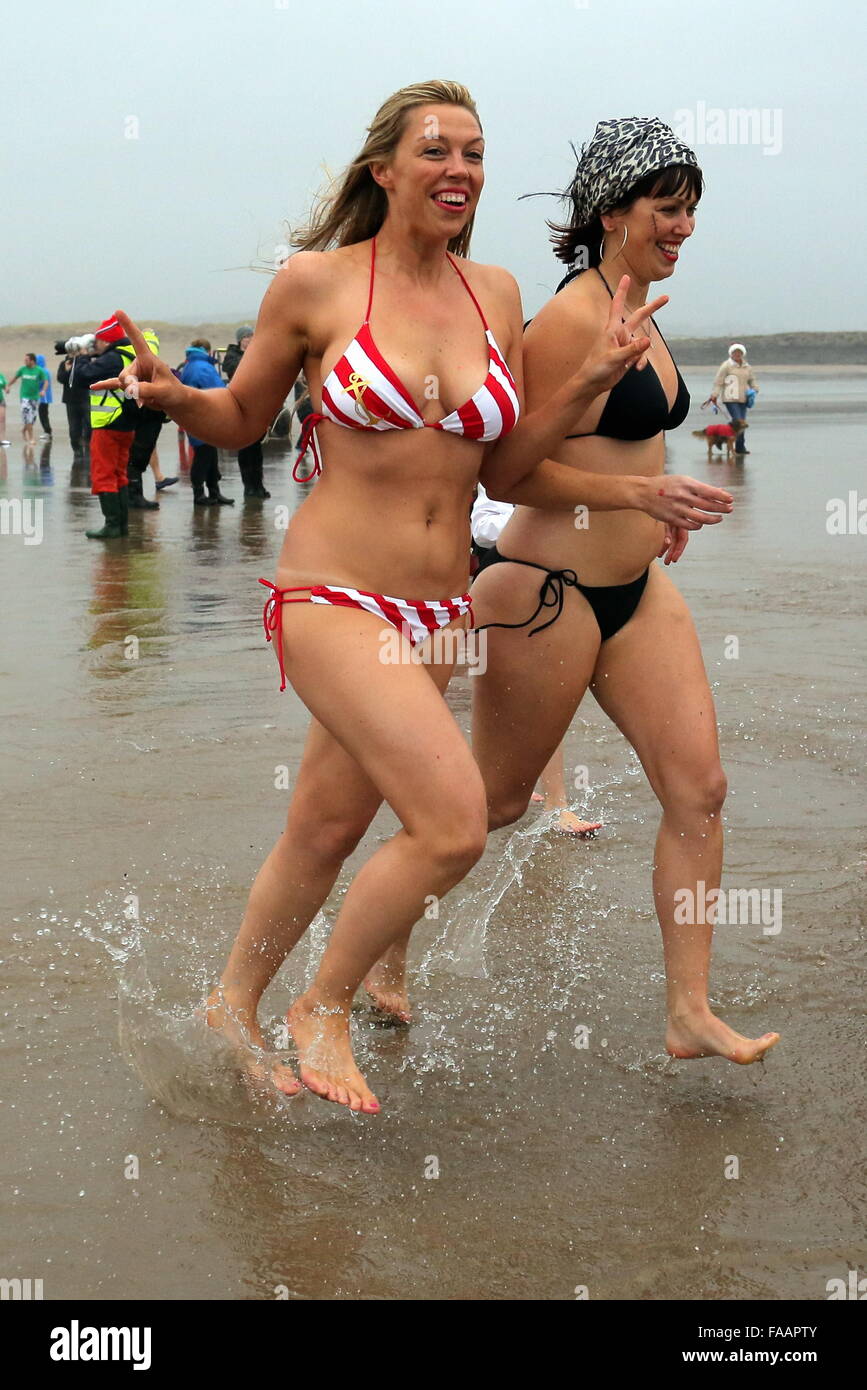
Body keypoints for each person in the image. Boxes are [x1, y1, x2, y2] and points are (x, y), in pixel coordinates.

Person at [101, 81, 731, 1113]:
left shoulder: (497, 293)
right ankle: (325, 1005)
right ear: (381, 169)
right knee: (453, 824)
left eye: (476, 153)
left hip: (438, 615)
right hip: (333, 598)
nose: (460, 170)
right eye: (436, 149)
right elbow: (242, 416)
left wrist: (584, 387)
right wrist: (179, 400)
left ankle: (230, 1002)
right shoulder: (315, 284)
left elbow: (507, 467)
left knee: (322, 831)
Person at [460, 118, 777, 1065]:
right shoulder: (566, 318)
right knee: (491, 806)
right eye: (665, 208)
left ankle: (688, 1012)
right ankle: (373, 958)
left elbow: (627, 439)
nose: (682, 226)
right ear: (611, 213)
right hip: (542, 591)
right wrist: (641, 492)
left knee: (699, 790)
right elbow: (509, 472)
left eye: (689, 211)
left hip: (635, 589)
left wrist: (659, 509)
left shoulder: (643, 303)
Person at [471, 483, 601, 836]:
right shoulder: (503, 471)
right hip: (498, 587)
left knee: (545, 695)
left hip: (558, 589)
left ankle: (550, 801)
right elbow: (482, 528)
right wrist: (536, 525)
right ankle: (499, 787)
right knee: (497, 697)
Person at [76, 316, 139, 539]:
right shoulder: (130, 356)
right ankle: (121, 525)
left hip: (108, 423)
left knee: (104, 474)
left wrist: (81, 358)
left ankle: (112, 525)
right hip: (127, 423)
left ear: (106, 340)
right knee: (119, 474)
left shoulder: (112, 359)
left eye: (98, 341)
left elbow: (83, 376)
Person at [179, 339, 234, 505]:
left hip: (194, 416)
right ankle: (199, 494)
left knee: (209, 454)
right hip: (203, 417)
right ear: (206, 350)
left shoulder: (190, 365)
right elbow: (219, 390)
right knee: (203, 456)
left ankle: (213, 492)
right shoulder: (202, 367)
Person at [126, 330, 176, 509]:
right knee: (136, 458)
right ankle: (134, 497)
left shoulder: (142, 367)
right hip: (144, 418)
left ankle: (142, 489)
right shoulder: (139, 369)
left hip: (146, 418)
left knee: (140, 455)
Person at [223, 327, 270, 499]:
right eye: (247, 337)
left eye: (252, 336)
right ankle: (248, 487)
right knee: (246, 449)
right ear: (240, 340)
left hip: (258, 406)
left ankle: (258, 486)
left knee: (257, 450)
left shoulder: (258, 354)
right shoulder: (232, 356)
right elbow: (234, 369)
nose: (250, 339)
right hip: (241, 406)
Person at [710, 343, 757, 455]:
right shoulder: (726, 366)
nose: (737, 354)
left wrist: (755, 389)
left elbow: (752, 380)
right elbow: (718, 382)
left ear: (743, 354)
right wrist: (714, 395)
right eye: (735, 352)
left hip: (743, 399)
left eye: (739, 353)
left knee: (741, 423)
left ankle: (726, 441)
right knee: (738, 422)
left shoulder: (747, 367)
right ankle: (737, 446)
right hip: (730, 399)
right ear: (731, 354)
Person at [9, 353, 49, 444]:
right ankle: (31, 438)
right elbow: (14, 378)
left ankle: (24, 430)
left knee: (33, 418)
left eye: (26, 360)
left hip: (35, 398)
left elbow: (46, 381)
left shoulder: (39, 371)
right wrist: (8, 386)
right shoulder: (22, 370)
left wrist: (43, 390)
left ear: (32, 361)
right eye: (25, 360)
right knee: (28, 417)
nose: (25, 361)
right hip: (24, 397)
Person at [35, 354, 53, 438]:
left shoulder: (42, 371)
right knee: (44, 414)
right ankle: (47, 431)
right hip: (45, 396)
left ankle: (47, 432)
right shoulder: (46, 370)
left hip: (44, 397)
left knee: (43, 414)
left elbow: (40, 383)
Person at [0, 368, 9, 446]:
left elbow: (4, 385)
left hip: (1, 400)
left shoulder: (1, 376)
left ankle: (2, 439)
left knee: (2, 419)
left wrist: (6, 388)